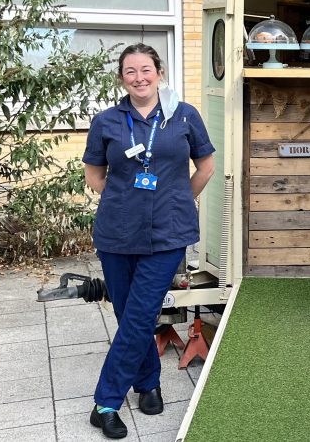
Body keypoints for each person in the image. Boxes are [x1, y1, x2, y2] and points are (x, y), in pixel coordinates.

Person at [83, 43, 215, 439]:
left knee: (140, 314)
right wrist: (125, 201)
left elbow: (206, 167)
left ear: (159, 71)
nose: (139, 78)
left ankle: (105, 401)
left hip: (168, 234)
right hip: (116, 234)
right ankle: (148, 382)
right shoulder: (107, 121)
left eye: (146, 69)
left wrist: (178, 198)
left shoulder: (184, 116)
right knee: (128, 315)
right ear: (121, 78)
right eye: (130, 71)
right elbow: (94, 175)